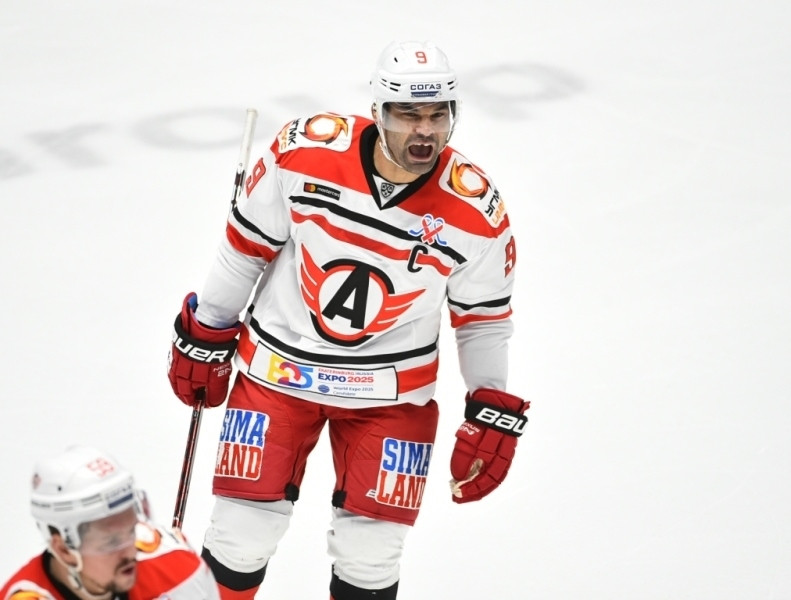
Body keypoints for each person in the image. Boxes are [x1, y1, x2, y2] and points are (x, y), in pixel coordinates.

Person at [167, 40, 530, 600]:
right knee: (240, 534)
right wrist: (207, 329)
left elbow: (482, 319)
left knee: (370, 555)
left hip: (391, 396)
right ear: (378, 111)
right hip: (278, 374)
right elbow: (245, 248)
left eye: (437, 115)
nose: (424, 132)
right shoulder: (304, 153)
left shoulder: (476, 212)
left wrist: (490, 406)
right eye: (408, 115)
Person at [0, 444, 221, 600]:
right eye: (111, 541)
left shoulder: (177, 568)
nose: (130, 552)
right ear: (64, 550)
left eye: (131, 531)